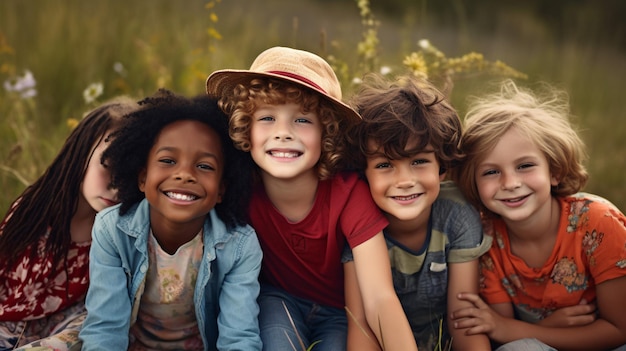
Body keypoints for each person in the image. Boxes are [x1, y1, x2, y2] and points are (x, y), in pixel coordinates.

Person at [206, 46, 416, 351]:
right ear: (245, 129)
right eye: (267, 118)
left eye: (302, 120)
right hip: (277, 300)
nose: (283, 133)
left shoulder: (348, 194)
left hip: (339, 311)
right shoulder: (240, 189)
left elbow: (378, 297)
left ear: (326, 132)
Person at [78, 90, 262, 351]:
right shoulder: (112, 229)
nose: (185, 174)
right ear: (142, 178)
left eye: (205, 166)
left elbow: (239, 338)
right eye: (167, 160)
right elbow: (105, 328)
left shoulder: (239, 246)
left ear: (222, 189)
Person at [450, 79, 626, 350]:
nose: (509, 183)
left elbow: (618, 329)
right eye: (491, 171)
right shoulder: (486, 239)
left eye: (525, 166)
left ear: (554, 171)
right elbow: (505, 337)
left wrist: (513, 329)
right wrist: (541, 329)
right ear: (474, 183)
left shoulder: (598, 223)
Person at [342, 73, 492, 351]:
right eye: (385, 165)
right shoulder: (356, 217)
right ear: (363, 172)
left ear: (442, 165)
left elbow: (464, 321)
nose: (404, 180)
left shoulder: (456, 215)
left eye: (419, 161)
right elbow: (360, 324)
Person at [0, 97, 139, 350]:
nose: (117, 185)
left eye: (130, 175)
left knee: (89, 327)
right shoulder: (34, 209)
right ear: (81, 153)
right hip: (6, 324)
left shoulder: (122, 229)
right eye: (107, 166)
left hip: (63, 331)